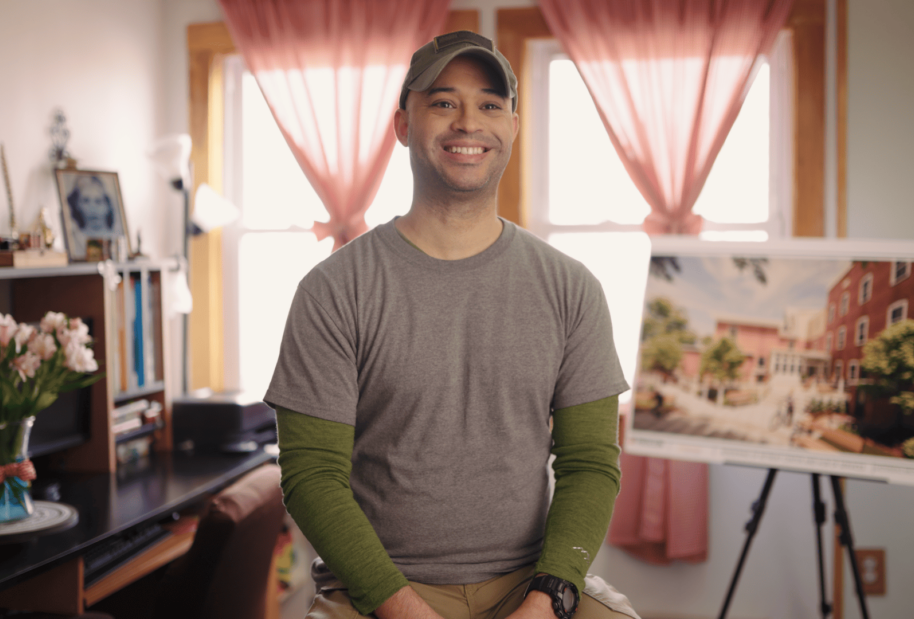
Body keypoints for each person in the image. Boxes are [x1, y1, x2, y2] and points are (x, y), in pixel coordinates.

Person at [266, 31, 638, 619]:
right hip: (376, 589)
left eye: (490, 105)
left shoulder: (571, 288)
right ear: (402, 125)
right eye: (442, 102)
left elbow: (590, 462)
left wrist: (549, 598)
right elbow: (312, 476)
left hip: (531, 582)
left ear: (513, 127)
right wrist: (402, 608)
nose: (469, 123)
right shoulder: (333, 290)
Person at [66, 175, 119, 260]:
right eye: (86, 201)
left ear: (107, 206)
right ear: (77, 205)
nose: (92, 209)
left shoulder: (117, 238)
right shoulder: (74, 239)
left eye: (98, 201)